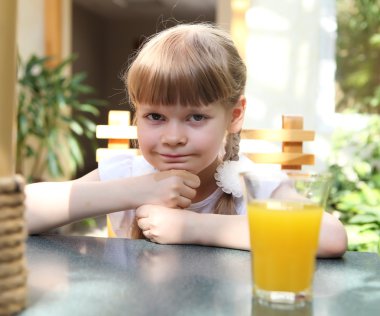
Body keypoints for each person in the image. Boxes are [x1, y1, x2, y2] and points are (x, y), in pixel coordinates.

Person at [25, 23, 347, 257]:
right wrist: (133, 190)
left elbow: (330, 236)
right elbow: (13, 212)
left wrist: (192, 227)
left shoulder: (255, 186)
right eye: (155, 117)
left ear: (234, 116)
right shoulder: (128, 173)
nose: (173, 137)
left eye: (196, 117)